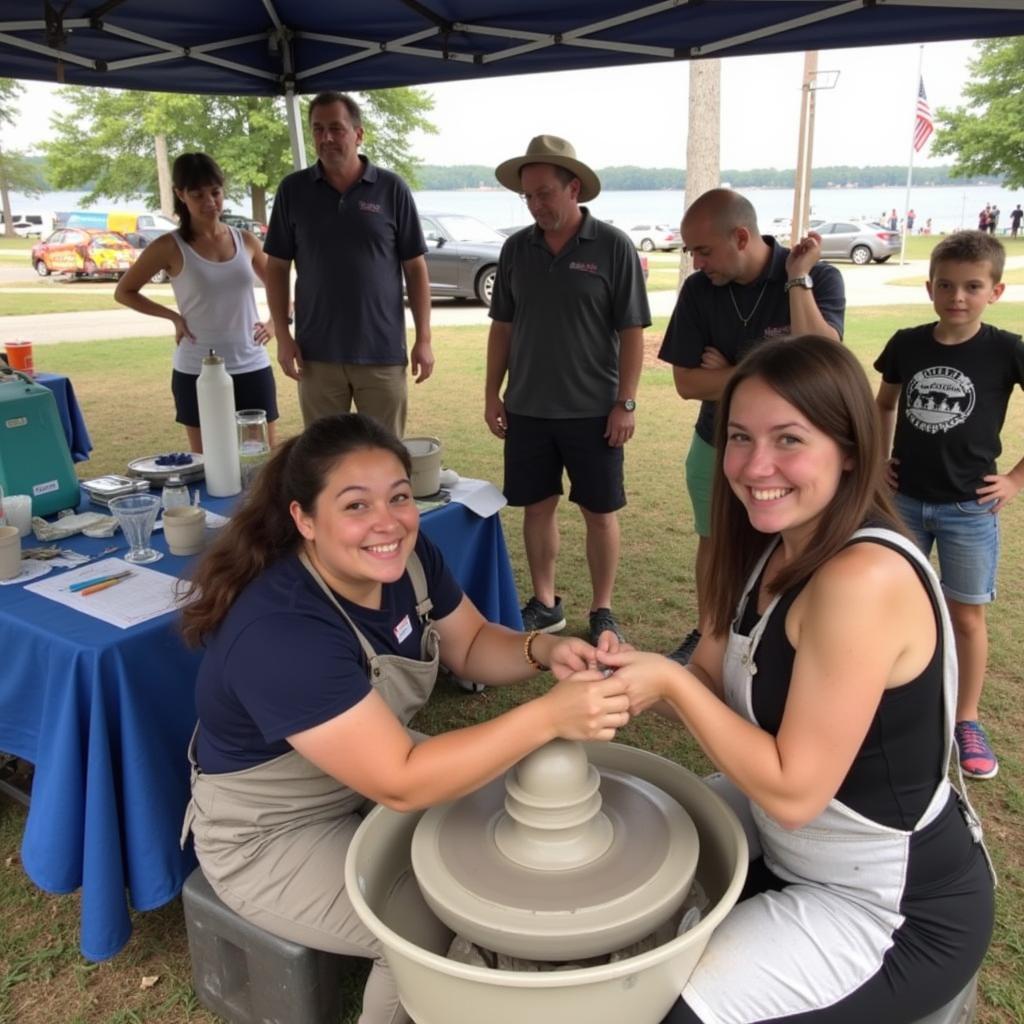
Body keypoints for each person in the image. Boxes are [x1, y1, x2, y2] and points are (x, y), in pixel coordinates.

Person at [179, 413, 630, 1024]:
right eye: (356, 505)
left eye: (397, 497)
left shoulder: (410, 559)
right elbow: (402, 779)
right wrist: (550, 717)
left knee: (503, 825)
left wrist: (543, 650)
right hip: (269, 828)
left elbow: (470, 643)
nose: (387, 522)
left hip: (365, 765)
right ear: (304, 519)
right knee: (421, 933)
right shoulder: (281, 631)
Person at [599, 335, 994, 1024]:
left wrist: (670, 685)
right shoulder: (771, 545)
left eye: (789, 439)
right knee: (635, 843)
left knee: (672, 1012)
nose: (755, 467)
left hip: (886, 908)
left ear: (849, 447)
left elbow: (792, 790)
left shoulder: (862, 578)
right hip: (795, 851)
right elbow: (704, 679)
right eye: (741, 438)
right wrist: (624, 676)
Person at [658, 189, 845, 665]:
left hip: (794, 451)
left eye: (703, 250)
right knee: (716, 542)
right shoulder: (700, 291)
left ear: (741, 236)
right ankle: (709, 633)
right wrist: (771, 375)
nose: (697, 263)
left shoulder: (818, 276)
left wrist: (796, 281)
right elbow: (686, 382)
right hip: (715, 442)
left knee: (793, 545)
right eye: (691, 251)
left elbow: (825, 362)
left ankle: (776, 639)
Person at [484, 135, 651, 645]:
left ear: (573, 188)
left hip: (594, 410)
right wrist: (493, 394)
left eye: (545, 193)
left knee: (600, 513)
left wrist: (625, 402)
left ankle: (602, 607)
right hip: (529, 408)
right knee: (537, 507)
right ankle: (546, 601)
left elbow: (631, 332)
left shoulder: (612, 246)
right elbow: (503, 329)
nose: (536, 205)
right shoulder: (516, 248)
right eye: (528, 196)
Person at [875, 230, 1024, 779]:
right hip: (905, 503)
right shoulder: (908, 343)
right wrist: (878, 460)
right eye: (945, 285)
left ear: (995, 291)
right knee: (894, 607)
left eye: (972, 286)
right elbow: (884, 404)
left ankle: (966, 718)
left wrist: (1012, 480)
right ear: (930, 287)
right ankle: (891, 698)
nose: (957, 296)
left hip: (969, 510)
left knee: (965, 616)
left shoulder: (1007, 350)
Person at [263, 92, 433, 438]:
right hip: (317, 354)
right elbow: (276, 268)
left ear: (358, 134)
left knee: (384, 453)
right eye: (318, 129)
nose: (326, 138)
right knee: (324, 458)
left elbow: (415, 268)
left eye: (336, 129)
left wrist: (424, 339)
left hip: (382, 351)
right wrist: (283, 335)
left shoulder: (391, 189)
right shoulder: (293, 191)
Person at [115, 152, 278, 451]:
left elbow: (280, 287)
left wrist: (275, 324)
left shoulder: (246, 240)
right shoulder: (169, 246)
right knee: (208, 462)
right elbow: (124, 291)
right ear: (180, 195)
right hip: (198, 369)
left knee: (260, 461)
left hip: (251, 363)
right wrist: (174, 318)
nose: (209, 202)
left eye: (215, 192)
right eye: (198, 194)